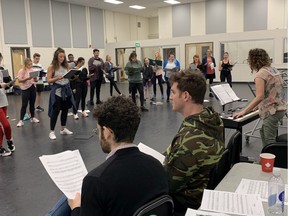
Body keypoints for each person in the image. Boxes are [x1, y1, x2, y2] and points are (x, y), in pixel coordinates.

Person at [46, 96, 168, 216]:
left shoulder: (96, 181)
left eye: (98, 130)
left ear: (107, 132)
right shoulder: (157, 165)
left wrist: (76, 208)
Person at [163, 70, 224, 215]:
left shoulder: (190, 139)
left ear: (185, 96)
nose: (170, 97)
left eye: (173, 92)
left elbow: (168, 185)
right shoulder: (211, 118)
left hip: (185, 203)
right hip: (203, 187)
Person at [234, 48, 287, 147]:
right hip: (281, 108)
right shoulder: (273, 70)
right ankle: (265, 159)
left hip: (273, 111)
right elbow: (272, 91)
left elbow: (260, 97)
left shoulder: (260, 74)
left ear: (253, 60)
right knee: (263, 132)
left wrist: (244, 111)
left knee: (269, 140)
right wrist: (258, 106)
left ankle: (271, 160)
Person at [47, 48, 75, 140]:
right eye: (60, 56)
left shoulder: (66, 66)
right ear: (56, 56)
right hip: (57, 91)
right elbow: (48, 81)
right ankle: (51, 131)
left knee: (65, 110)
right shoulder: (51, 67)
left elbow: (68, 77)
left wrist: (73, 75)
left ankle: (63, 129)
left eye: (63, 56)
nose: (62, 58)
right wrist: (56, 78)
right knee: (56, 111)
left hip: (66, 91)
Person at [16, 58, 40, 127]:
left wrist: (35, 78)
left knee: (32, 104)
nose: (30, 65)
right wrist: (27, 78)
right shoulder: (22, 71)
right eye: (29, 64)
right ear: (25, 64)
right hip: (25, 89)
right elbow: (19, 80)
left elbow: (36, 80)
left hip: (32, 87)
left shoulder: (33, 70)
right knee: (24, 104)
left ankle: (32, 117)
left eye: (31, 64)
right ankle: (21, 120)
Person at [0, 52, 15, 156]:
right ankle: (2, 146)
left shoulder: (1, 71)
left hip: (3, 100)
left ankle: (8, 141)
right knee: (5, 125)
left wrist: (10, 84)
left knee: (4, 126)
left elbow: (4, 85)